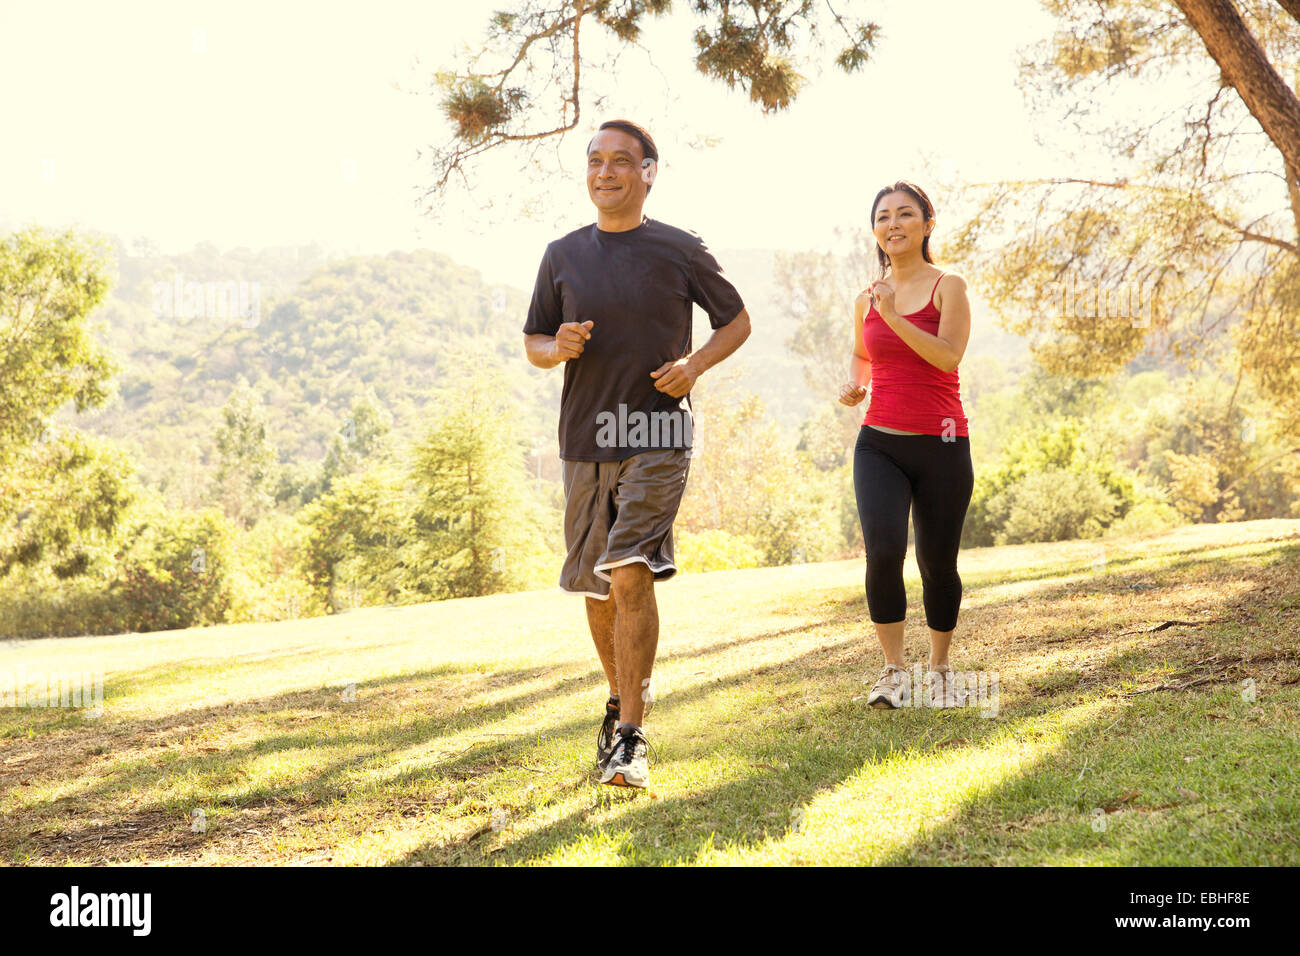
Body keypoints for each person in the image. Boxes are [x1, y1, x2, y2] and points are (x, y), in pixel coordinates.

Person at [523, 119, 751, 787]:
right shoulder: (561, 254)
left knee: (628, 572)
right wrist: (555, 346)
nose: (605, 171)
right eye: (595, 160)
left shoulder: (679, 250)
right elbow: (534, 340)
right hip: (585, 440)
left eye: (621, 161)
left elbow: (735, 319)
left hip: (658, 431)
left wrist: (696, 364)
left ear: (648, 171)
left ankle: (631, 739)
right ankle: (621, 703)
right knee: (596, 588)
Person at [838, 180, 974, 710]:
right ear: (875, 230)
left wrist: (894, 317)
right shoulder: (866, 298)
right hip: (880, 444)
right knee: (885, 550)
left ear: (926, 223)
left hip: (943, 443)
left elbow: (947, 357)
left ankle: (938, 668)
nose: (892, 224)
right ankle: (894, 671)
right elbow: (862, 354)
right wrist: (856, 385)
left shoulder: (949, 286)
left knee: (938, 563)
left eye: (904, 214)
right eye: (883, 217)